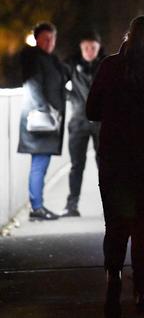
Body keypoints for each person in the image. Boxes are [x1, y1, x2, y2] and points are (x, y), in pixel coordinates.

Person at [86, 16, 144, 317]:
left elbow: (92, 110)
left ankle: (113, 284)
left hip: (114, 157)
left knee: (116, 224)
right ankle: (140, 292)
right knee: (141, 224)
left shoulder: (109, 66)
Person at [17, 22, 69, 221]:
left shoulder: (50, 59)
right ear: (37, 39)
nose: (49, 42)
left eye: (52, 38)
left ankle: (38, 206)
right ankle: (36, 208)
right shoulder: (33, 58)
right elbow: (32, 84)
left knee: (42, 163)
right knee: (39, 164)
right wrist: (45, 109)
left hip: (46, 120)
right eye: (45, 38)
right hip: (40, 121)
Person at [62, 31, 105, 217]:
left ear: (98, 47)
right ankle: (72, 205)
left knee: (104, 163)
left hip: (101, 121)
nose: (89, 51)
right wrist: (72, 98)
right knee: (76, 164)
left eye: (92, 48)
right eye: (86, 48)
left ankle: (109, 203)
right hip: (78, 120)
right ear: (81, 48)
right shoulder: (71, 64)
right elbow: (57, 84)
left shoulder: (106, 64)